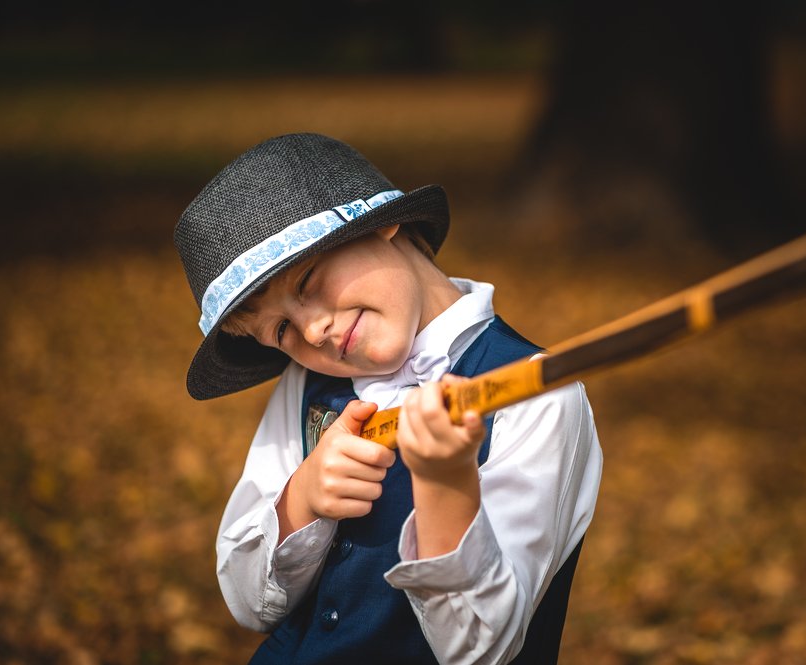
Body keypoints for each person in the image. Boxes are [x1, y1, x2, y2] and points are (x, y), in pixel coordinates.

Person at [174, 133, 602, 664]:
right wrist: (301, 501)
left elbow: (484, 650)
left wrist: (446, 486)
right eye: (281, 329)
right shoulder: (306, 386)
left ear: (381, 224)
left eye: (308, 281)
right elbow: (248, 605)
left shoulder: (538, 395)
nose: (313, 331)